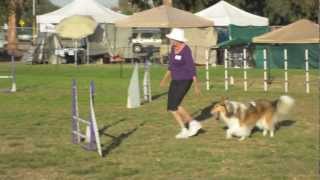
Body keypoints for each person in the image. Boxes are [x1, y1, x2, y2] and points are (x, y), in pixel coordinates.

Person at [160, 28, 202, 139]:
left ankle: (193, 123)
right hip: (175, 79)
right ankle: (184, 129)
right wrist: (165, 79)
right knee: (171, 107)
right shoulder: (173, 49)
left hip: (185, 80)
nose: (171, 41)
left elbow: (191, 68)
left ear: (178, 40)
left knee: (175, 105)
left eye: (173, 39)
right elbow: (171, 66)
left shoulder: (186, 50)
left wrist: (196, 84)